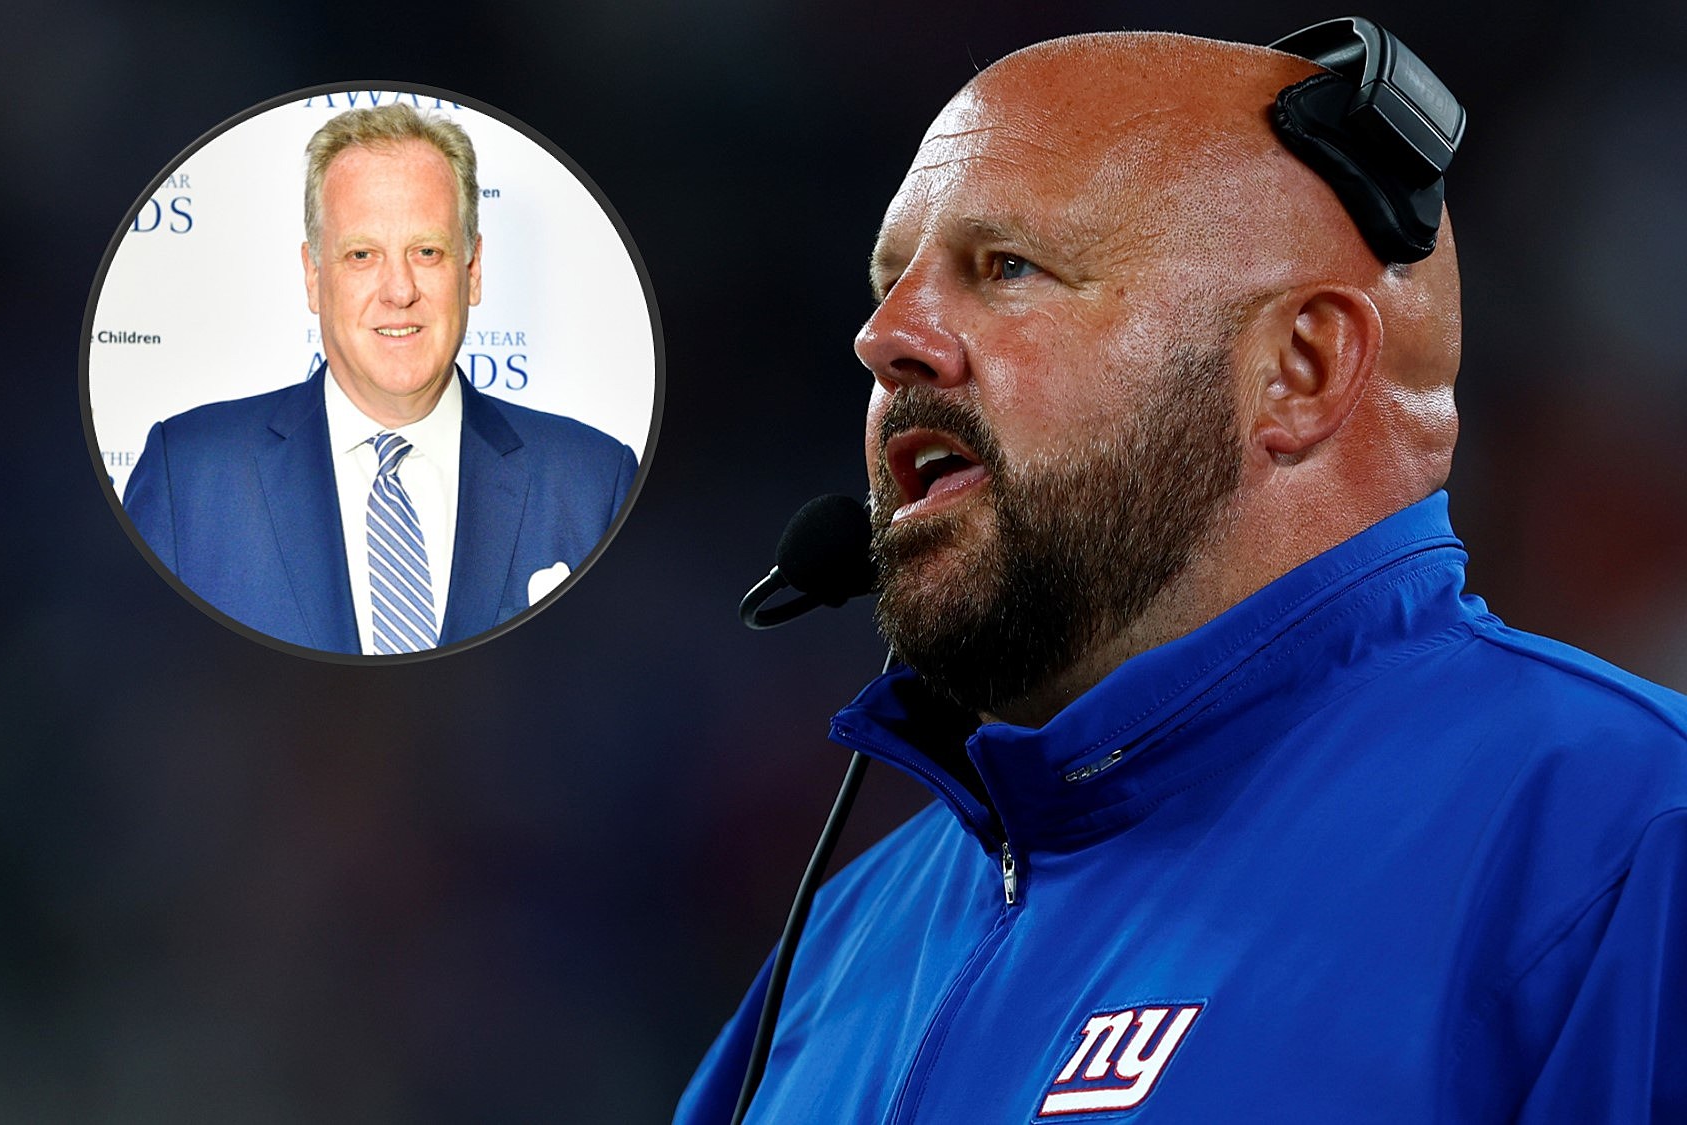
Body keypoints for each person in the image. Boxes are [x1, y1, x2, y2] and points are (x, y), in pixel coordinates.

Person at [677, 27, 1687, 1123]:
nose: (887, 338)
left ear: (1300, 368)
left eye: (1007, 267)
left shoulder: (1628, 842)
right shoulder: (841, 950)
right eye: (891, 287)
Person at [123, 104, 637, 655]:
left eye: (427, 252)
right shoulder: (190, 477)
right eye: (362, 254)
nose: (399, 290)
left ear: (473, 270)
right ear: (314, 276)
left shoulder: (593, 485)